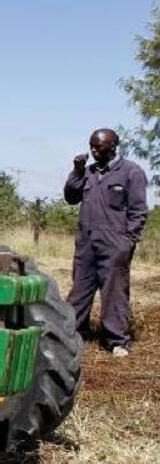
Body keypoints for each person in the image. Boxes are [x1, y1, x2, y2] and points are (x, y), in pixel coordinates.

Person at [63, 128, 148, 357]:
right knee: (80, 289)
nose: (93, 150)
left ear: (113, 146)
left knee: (114, 292)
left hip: (115, 242)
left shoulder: (132, 172)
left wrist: (128, 240)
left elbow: (139, 210)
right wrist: (77, 171)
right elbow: (70, 197)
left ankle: (116, 340)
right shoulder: (87, 172)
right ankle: (71, 333)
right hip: (86, 242)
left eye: (98, 146)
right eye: (91, 145)